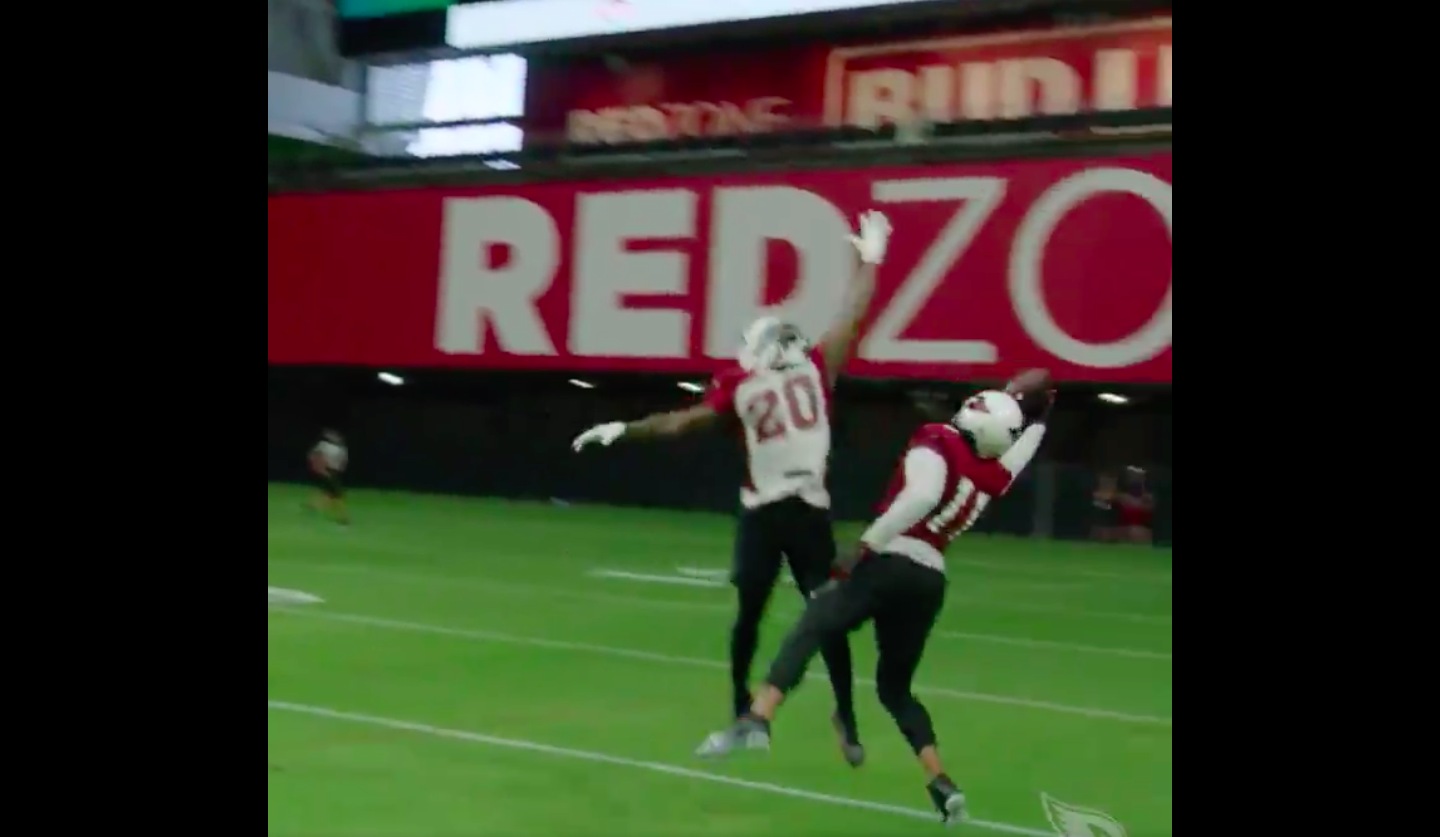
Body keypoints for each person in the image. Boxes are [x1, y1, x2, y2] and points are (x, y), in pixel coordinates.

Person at [571, 210, 893, 767]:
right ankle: (832, 714)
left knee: (757, 614)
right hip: (803, 510)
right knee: (823, 613)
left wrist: (623, 428)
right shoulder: (816, 365)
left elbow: (682, 423)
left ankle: (751, 708)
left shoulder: (742, 383)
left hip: (772, 512)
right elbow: (853, 311)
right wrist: (871, 259)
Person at [697, 387, 1053, 824]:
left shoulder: (937, 439)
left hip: (893, 557)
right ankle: (941, 781)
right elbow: (1020, 455)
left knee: (814, 621)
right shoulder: (994, 471)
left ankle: (757, 719)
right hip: (929, 579)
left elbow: (921, 497)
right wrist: (1039, 419)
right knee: (895, 690)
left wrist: (867, 543)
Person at [307, 429, 350, 525]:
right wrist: (321, 468)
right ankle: (343, 517)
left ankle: (313, 506)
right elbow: (314, 456)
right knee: (338, 496)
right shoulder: (324, 445)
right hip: (329, 471)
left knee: (330, 495)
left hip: (333, 472)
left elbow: (343, 462)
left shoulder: (341, 449)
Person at [1116, 466, 1155, 544]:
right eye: (1132, 476)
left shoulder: (1149, 497)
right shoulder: (1122, 496)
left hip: (1143, 532)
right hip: (1124, 532)